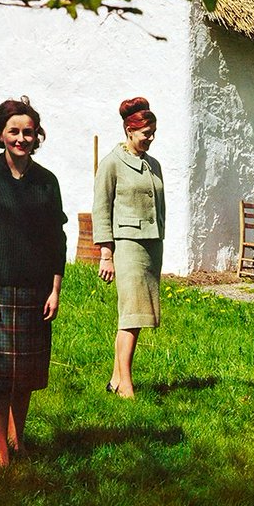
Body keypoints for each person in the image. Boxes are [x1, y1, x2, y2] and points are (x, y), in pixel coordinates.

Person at [0, 97, 67, 466]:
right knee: (0, 377)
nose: (22, 138)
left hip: (36, 292)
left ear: (37, 136)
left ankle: (18, 438)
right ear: (0, 135)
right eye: (14, 131)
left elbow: (58, 240)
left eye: (28, 132)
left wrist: (54, 289)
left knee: (27, 374)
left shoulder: (46, 182)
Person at [93, 97, 166, 399]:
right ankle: (126, 384)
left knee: (135, 314)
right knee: (132, 316)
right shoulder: (112, 162)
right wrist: (106, 254)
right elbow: (101, 208)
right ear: (129, 130)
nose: (150, 138)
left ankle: (114, 378)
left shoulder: (153, 164)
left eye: (153, 133)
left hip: (152, 245)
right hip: (127, 246)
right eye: (145, 133)